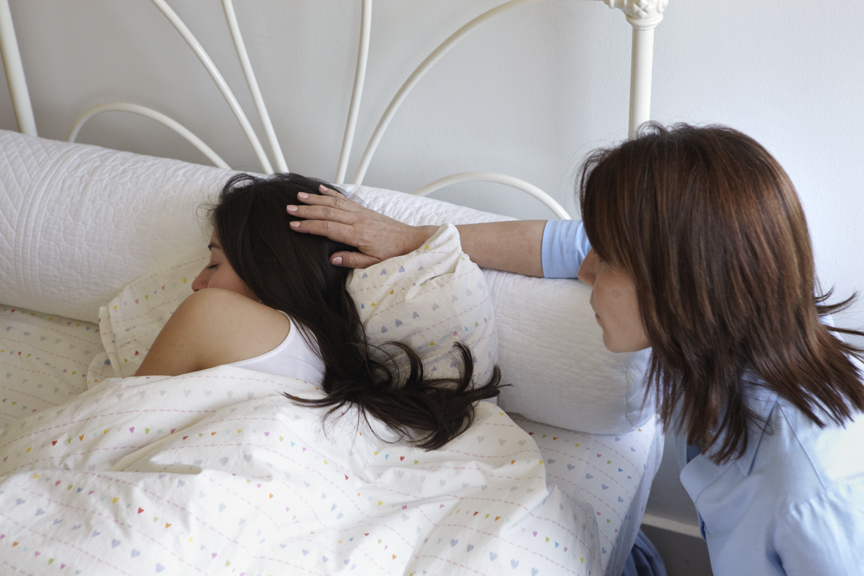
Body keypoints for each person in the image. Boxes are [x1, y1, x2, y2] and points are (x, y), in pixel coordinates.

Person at [286, 123, 864, 575]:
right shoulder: (749, 329)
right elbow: (561, 245)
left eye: (607, 258)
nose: (585, 270)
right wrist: (412, 240)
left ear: (681, 283)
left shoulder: (811, 492)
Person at [135, 172, 502, 450]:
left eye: (214, 264)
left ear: (267, 267)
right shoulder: (334, 367)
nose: (197, 283)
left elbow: (113, 419)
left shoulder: (211, 313)